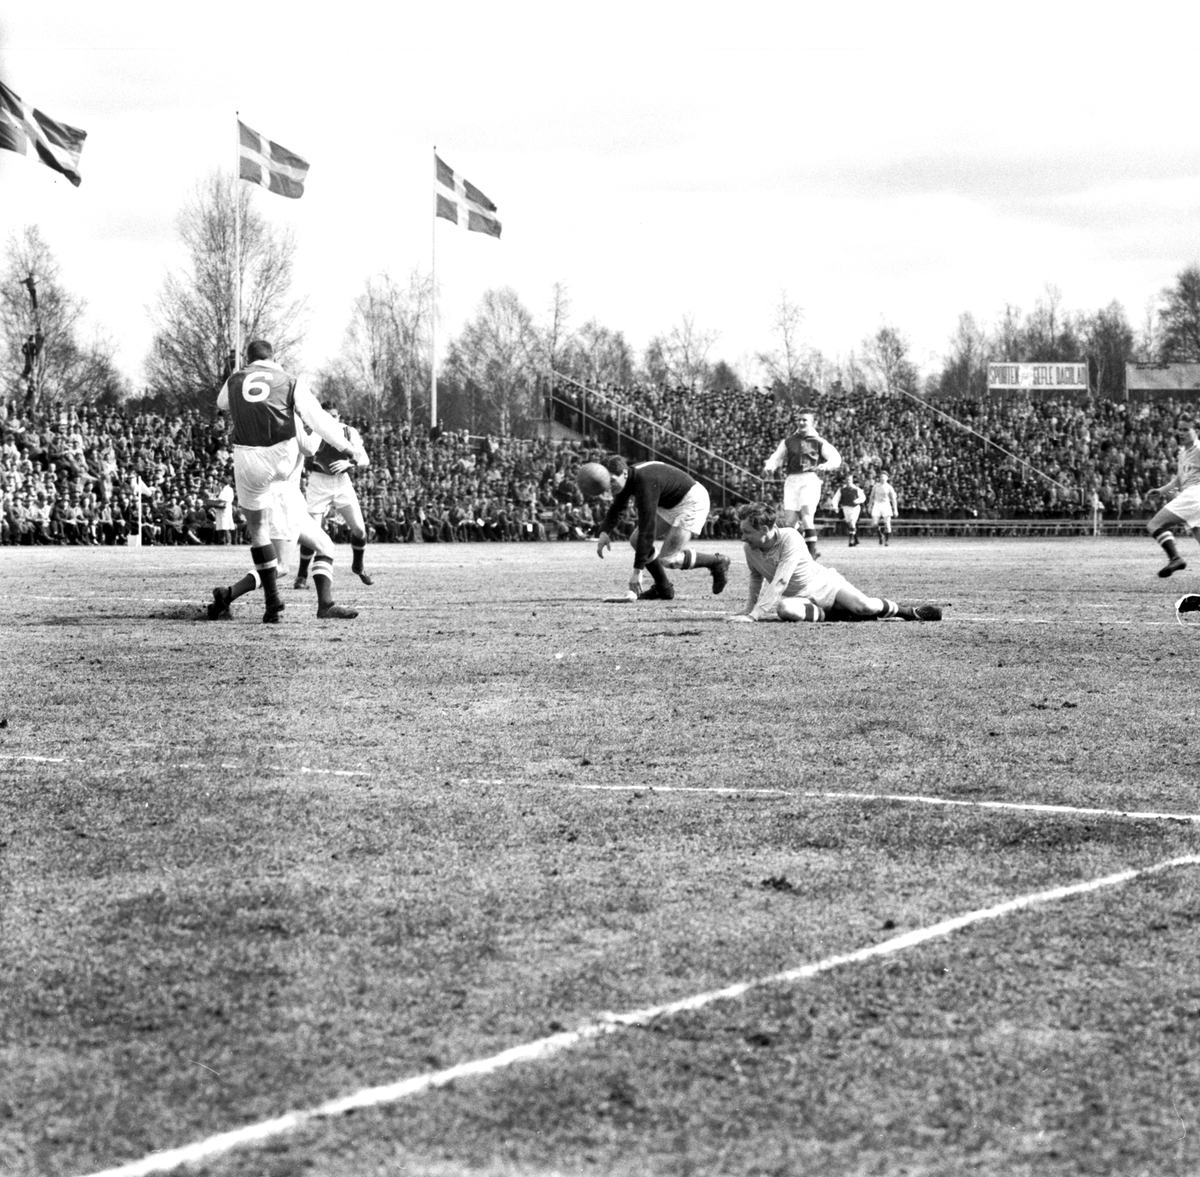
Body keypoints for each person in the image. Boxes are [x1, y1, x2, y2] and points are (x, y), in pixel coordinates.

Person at [213, 339, 357, 622]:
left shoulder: (238, 380)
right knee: (280, 567)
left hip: (281, 487)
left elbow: (222, 403)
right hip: (280, 493)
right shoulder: (291, 395)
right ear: (273, 357)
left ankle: (325, 604)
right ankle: (229, 595)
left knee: (325, 546)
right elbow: (310, 446)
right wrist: (342, 440)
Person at [726, 501, 942, 623]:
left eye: (746, 532)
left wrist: (754, 617)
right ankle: (839, 615)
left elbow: (781, 581)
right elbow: (756, 578)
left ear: (764, 529)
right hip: (802, 599)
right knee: (786, 609)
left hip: (825, 585)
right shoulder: (749, 547)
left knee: (865, 607)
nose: (742, 537)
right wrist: (747, 610)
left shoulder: (790, 537)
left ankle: (908, 612)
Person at [582, 455, 730, 600]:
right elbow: (618, 506)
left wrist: (637, 571)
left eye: (612, 480)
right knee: (635, 540)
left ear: (624, 473)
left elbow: (647, 528)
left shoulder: (644, 482)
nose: (609, 486)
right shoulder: (628, 477)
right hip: (670, 502)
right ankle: (663, 587)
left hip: (691, 501)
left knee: (668, 559)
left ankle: (716, 562)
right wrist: (604, 532)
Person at [293, 403, 373, 589]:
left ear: (339, 416)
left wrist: (350, 463)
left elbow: (364, 458)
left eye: (335, 416)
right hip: (318, 483)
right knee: (312, 533)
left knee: (360, 530)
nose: (332, 419)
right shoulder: (313, 431)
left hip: (341, 483)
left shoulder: (348, 431)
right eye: (327, 416)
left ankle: (358, 566)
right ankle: (302, 574)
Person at [761, 407, 841, 560]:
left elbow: (835, 458)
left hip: (810, 479)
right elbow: (777, 457)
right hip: (791, 480)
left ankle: (811, 553)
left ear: (812, 422)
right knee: (790, 522)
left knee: (806, 515)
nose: (801, 422)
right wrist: (768, 468)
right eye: (799, 419)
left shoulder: (818, 442)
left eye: (805, 420)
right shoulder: (789, 441)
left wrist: (825, 466)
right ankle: (800, 550)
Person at [1146, 417, 1200, 578]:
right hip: (1192, 497)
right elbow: (1179, 478)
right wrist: (1162, 490)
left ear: (1196, 432)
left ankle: (1175, 558)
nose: (1181, 433)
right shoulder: (1183, 452)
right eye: (1180, 429)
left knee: (1154, 524)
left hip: (1194, 495)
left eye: (1186, 430)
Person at [832, 474, 866, 547]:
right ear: (845, 480)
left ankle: (850, 541)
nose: (848, 481)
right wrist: (835, 507)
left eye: (849, 480)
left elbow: (863, 497)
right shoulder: (841, 489)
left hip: (855, 508)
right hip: (846, 508)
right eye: (847, 480)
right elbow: (836, 498)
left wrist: (857, 501)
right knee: (849, 523)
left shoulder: (856, 489)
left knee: (852, 521)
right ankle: (855, 539)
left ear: (852, 480)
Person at [868, 471, 899, 546]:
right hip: (877, 504)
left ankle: (887, 541)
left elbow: (893, 499)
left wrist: (895, 509)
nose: (882, 478)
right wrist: (869, 506)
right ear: (879, 478)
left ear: (887, 478)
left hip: (886, 505)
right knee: (874, 523)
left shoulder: (889, 487)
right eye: (881, 477)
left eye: (884, 477)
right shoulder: (876, 486)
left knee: (887, 523)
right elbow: (871, 497)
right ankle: (880, 536)